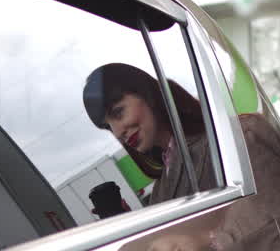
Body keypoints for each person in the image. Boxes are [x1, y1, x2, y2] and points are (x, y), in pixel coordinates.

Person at [81, 61, 215, 205]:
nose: (118, 132)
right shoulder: (160, 188)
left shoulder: (220, 144)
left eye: (118, 112)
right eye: (108, 126)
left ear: (146, 94)